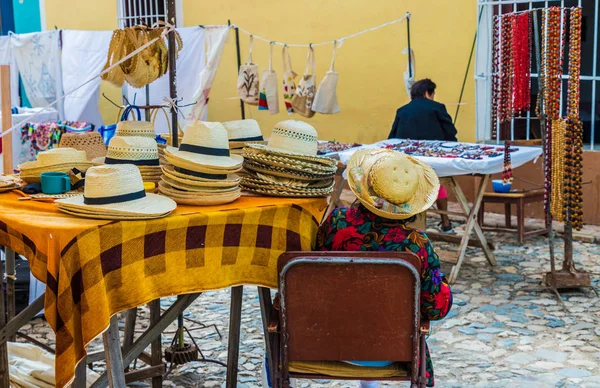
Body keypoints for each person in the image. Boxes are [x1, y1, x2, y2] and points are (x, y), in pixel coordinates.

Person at [316, 148, 453, 388]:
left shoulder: (335, 223)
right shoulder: (416, 245)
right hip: (391, 348)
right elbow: (436, 308)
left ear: (366, 189)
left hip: (325, 340)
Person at [388, 78, 458, 232]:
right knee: (436, 183)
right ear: (428, 92)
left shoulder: (402, 110)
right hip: (431, 159)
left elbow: (392, 137)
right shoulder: (437, 108)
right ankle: (445, 222)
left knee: (410, 187)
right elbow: (450, 134)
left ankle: (406, 223)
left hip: (406, 161)